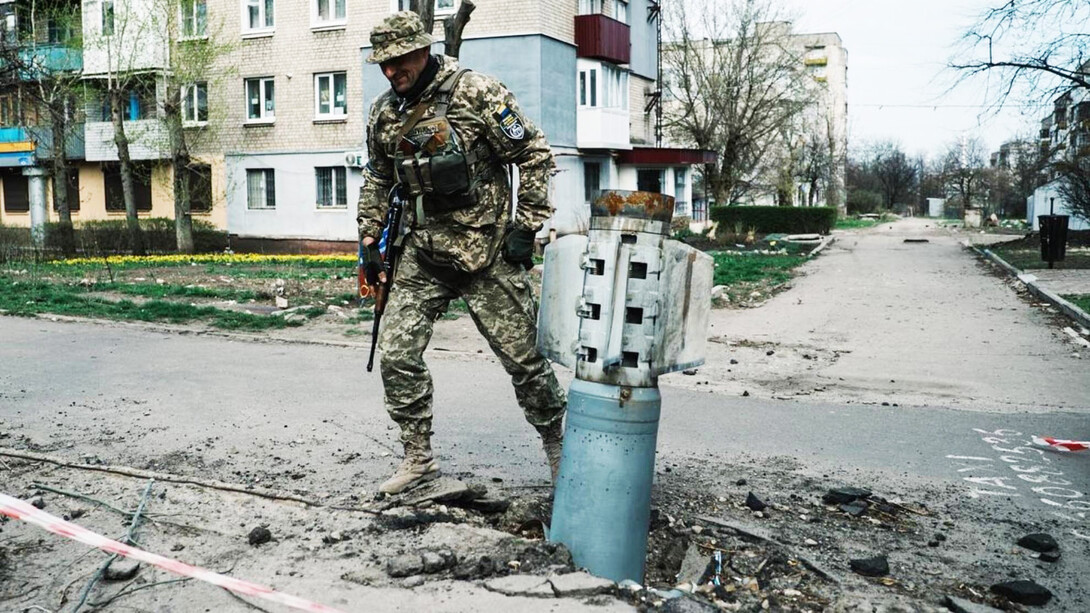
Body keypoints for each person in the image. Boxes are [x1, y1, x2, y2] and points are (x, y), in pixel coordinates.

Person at [357, 11, 566, 495]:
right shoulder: (384, 113)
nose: (392, 72)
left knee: (525, 361)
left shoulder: (477, 93)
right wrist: (370, 239)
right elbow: (377, 176)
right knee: (396, 354)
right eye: (383, 64)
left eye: (399, 60)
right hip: (422, 254)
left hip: (486, 255)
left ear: (423, 48)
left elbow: (533, 153)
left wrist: (526, 226)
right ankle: (418, 457)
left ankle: (560, 448)